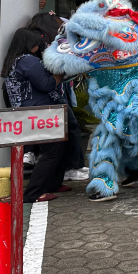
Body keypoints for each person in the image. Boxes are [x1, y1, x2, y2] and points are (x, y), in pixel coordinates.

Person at [1, 28, 69, 202]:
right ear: (29, 43)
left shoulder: (14, 61)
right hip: (40, 113)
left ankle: (52, 185)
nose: (39, 47)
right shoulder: (28, 60)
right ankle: (33, 193)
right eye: (36, 43)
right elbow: (46, 85)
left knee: (58, 147)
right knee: (52, 151)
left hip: (30, 113)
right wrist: (58, 75)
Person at [28, 12, 88, 182]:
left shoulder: (36, 42)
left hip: (42, 96)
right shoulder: (48, 45)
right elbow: (57, 72)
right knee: (70, 129)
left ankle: (67, 167)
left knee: (62, 132)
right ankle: (72, 167)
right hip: (52, 95)